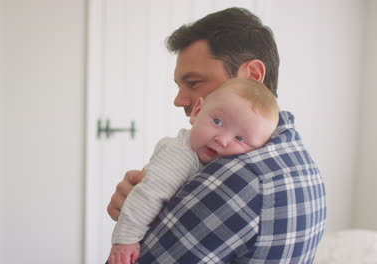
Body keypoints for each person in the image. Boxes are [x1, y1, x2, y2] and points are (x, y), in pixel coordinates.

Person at [107, 7, 327, 263]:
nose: (179, 100)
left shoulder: (238, 178)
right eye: (179, 85)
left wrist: (134, 228)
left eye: (194, 83)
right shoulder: (297, 159)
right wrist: (146, 207)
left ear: (253, 76)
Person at [108, 78, 280, 264]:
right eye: (217, 122)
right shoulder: (181, 156)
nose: (222, 140)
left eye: (239, 138)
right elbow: (148, 196)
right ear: (197, 112)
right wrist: (125, 241)